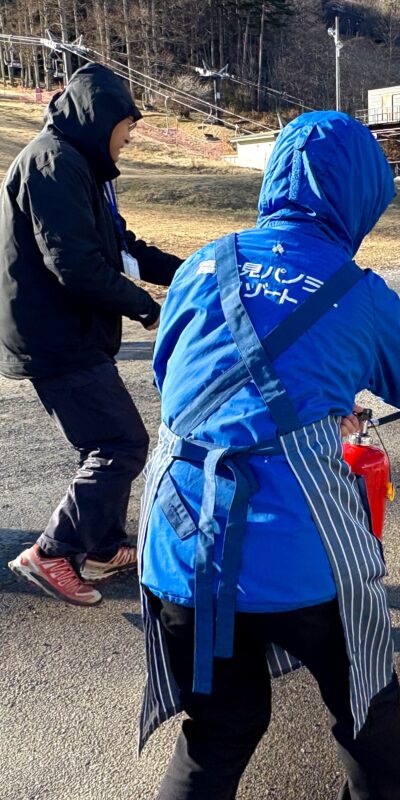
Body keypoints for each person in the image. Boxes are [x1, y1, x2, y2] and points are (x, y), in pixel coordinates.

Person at [137, 111, 400, 800]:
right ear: (360, 197)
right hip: (302, 553)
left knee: (221, 728)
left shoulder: (203, 264)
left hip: (182, 543)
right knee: (366, 709)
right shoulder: (359, 291)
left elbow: (173, 384)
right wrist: (331, 396)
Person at [3, 63, 182, 606]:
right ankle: (53, 552)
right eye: (126, 130)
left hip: (68, 331)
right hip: (54, 336)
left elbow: (123, 249)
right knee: (118, 444)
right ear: (102, 119)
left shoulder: (78, 165)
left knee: (112, 441)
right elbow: (75, 265)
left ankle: (102, 547)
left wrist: (196, 271)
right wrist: (146, 310)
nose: (128, 141)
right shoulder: (52, 164)